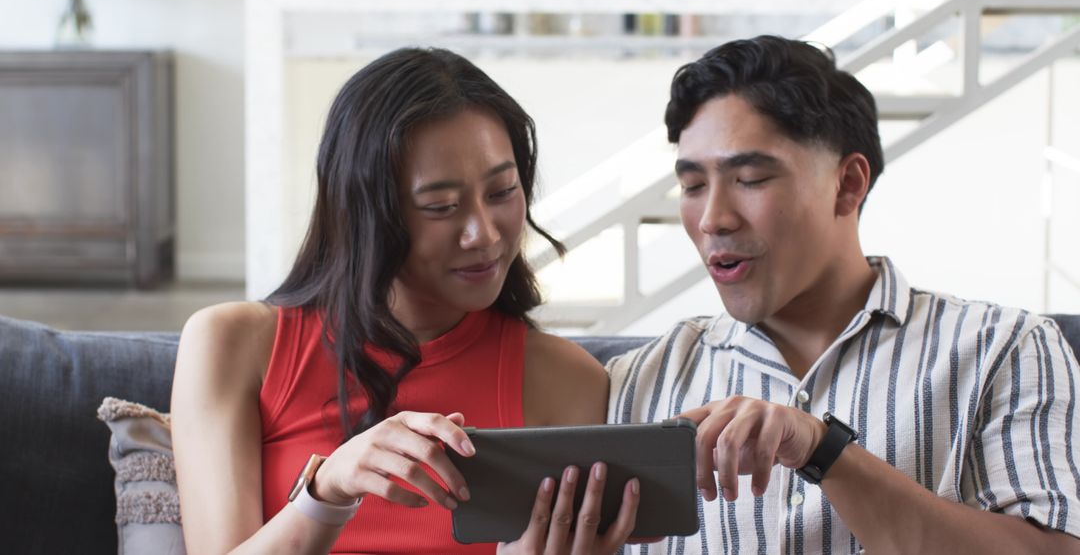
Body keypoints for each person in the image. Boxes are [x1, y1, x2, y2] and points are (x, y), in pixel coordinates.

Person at [606, 35, 1080, 554]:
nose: (714, 218)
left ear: (848, 184)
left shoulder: (1005, 348)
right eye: (693, 186)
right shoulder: (637, 382)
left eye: (750, 178)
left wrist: (823, 450)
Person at [171, 47, 640, 555]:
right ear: (365, 213)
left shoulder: (564, 381)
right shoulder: (232, 345)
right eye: (441, 206)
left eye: (502, 191)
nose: (483, 234)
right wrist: (327, 492)